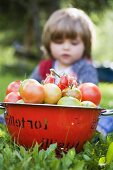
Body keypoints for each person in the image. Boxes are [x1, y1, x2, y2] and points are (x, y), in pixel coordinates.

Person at [30, 7, 99, 84]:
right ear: (49, 43)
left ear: (85, 45)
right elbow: (30, 88)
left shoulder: (85, 69)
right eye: (59, 42)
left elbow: (89, 92)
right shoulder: (44, 67)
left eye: (74, 43)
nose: (66, 47)